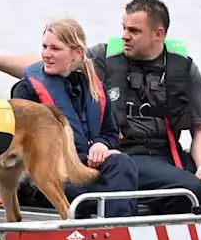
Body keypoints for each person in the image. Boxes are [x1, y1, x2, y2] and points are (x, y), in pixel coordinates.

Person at [0, 0, 201, 215]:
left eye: (134, 31)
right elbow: (45, 65)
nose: (125, 36)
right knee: (186, 189)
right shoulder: (103, 58)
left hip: (171, 155)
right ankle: (153, 224)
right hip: (127, 155)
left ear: (159, 34)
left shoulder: (184, 70)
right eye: (124, 28)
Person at [11, 18, 140, 218]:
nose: (46, 54)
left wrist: (101, 144)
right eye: (44, 47)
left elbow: (110, 133)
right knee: (96, 195)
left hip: (85, 166)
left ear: (77, 53)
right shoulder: (26, 90)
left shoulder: (93, 87)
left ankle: (116, 232)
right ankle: (104, 227)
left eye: (55, 48)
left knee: (123, 164)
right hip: (46, 174)